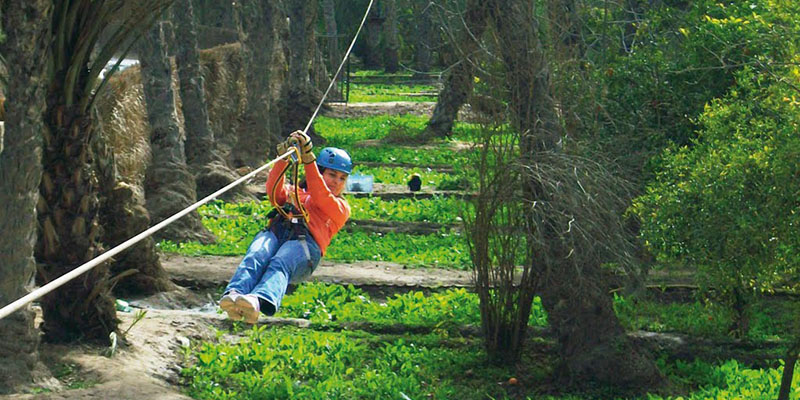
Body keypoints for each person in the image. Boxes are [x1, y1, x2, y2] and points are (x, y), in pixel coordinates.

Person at [219, 130, 351, 323]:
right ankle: (235, 294)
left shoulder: (340, 207)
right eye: (332, 175)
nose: (336, 182)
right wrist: (283, 159)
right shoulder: (294, 192)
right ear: (320, 173)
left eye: (342, 178)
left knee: (280, 261)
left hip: (305, 248)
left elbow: (321, 196)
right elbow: (274, 193)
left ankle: (257, 300)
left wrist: (309, 161)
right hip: (278, 233)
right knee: (257, 254)